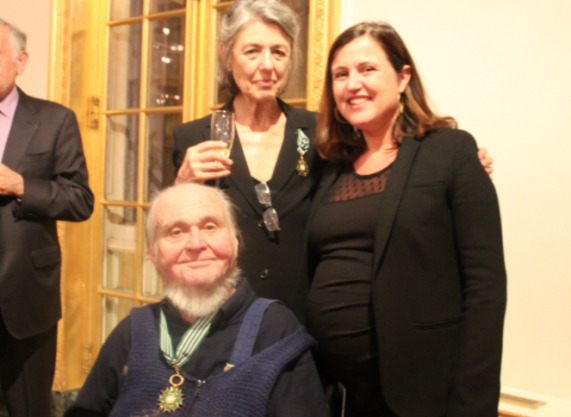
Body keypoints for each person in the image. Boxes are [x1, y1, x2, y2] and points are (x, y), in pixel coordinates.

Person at [173, 0, 494, 322]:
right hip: (223, 318)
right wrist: (181, 186)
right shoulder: (193, 138)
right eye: (252, 51)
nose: (267, 65)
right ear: (226, 56)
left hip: (301, 323)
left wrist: (459, 170)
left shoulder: (322, 132)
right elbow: (173, 237)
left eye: (279, 52)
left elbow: (384, 162)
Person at [305, 22, 506, 417]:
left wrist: (473, 405)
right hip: (340, 395)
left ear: (402, 77)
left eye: (367, 69)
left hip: (421, 395)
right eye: (340, 75)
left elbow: (486, 287)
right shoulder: (329, 167)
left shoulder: (450, 151)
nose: (352, 84)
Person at [65, 183, 327, 417]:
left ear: (235, 241)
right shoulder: (132, 332)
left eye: (209, 226)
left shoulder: (276, 332)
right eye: (176, 232)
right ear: (152, 252)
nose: (195, 243)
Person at [0, 19, 94, 417]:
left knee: (28, 408)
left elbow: (79, 200)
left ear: (20, 61)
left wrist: (22, 184)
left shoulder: (55, 119)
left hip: (24, 299)